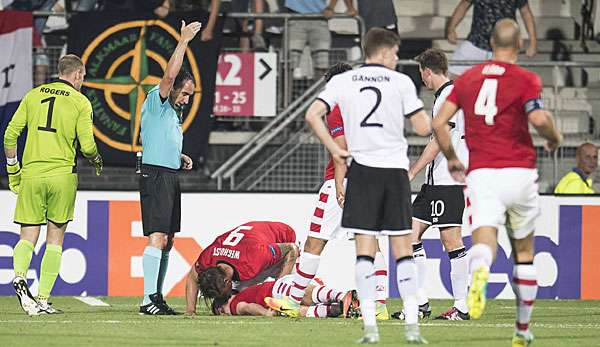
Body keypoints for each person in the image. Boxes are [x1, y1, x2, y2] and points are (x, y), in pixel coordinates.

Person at [432, 19, 562, 347]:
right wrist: (553, 137)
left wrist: (451, 156)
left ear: (490, 43)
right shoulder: (525, 78)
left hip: (482, 173)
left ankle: (480, 272)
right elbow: (537, 118)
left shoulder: (469, 79)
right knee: (523, 251)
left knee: (483, 239)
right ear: (518, 46)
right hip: (519, 172)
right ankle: (521, 329)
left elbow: (438, 122)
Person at [305, 28, 432, 344]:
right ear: (386, 51)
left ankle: (370, 327)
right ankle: (412, 327)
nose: (396, 57)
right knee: (401, 249)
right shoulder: (400, 81)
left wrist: (336, 151)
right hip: (393, 172)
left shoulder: (345, 82)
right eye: (395, 52)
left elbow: (312, 115)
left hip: (361, 172)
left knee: (363, 250)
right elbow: (423, 127)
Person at [266, 63, 390, 321]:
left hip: (340, 181)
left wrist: (341, 184)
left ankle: (291, 301)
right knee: (370, 243)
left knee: (314, 243)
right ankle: (379, 305)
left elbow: (340, 150)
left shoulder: (337, 110)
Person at [4, 54, 102, 315]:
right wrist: (96, 160)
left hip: (32, 174)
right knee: (55, 239)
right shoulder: (81, 102)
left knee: (28, 236)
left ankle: (20, 276)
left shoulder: (33, 95)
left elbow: (10, 135)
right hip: (61, 176)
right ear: (78, 75)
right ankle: (43, 299)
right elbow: (88, 145)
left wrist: (13, 170)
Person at [393, 48, 470, 321]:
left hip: (446, 182)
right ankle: (420, 302)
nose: (422, 79)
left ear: (427, 71)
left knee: (451, 241)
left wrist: (413, 169)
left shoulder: (447, 97)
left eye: (421, 73)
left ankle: (462, 306)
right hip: (435, 182)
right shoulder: (446, 96)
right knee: (408, 236)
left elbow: (440, 140)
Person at [138, 20, 201, 315]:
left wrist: (180, 155)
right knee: (158, 236)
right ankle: (148, 299)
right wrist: (184, 41)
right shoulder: (158, 99)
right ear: (173, 88)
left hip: (168, 173)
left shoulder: (170, 114)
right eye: (185, 93)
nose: (186, 99)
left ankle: (156, 297)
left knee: (168, 239)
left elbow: (159, 140)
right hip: (156, 175)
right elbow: (170, 74)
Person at [185, 221, 299, 315]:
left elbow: (292, 249)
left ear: (227, 281)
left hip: (283, 239)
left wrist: (279, 295)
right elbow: (192, 277)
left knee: (293, 294)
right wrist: (190, 310)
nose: (219, 298)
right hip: (250, 249)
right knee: (239, 299)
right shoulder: (207, 259)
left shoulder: (253, 259)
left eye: (221, 295)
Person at [446, 0, 537, 77]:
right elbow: (463, 5)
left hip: (504, 46)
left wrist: (533, 43)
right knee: (454, 72)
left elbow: (526, 12)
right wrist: (451, 29)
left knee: (507, 82)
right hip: (477, 41)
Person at [215, 274, 355, 318]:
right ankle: (340, 306)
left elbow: (247, 307)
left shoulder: (233, 306)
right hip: (276, 288)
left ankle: (342, 301)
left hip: (274, 292)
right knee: (301, 304)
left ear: (221, 310)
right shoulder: (242, 293)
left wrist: (265, 313)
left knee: (303, 300)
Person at [285, 0, 356, 79]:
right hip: (295, 16)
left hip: (320, 17)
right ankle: (285, 91)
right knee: (290, 62)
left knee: (322, 63)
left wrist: (332, 8)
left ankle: (320, 90)